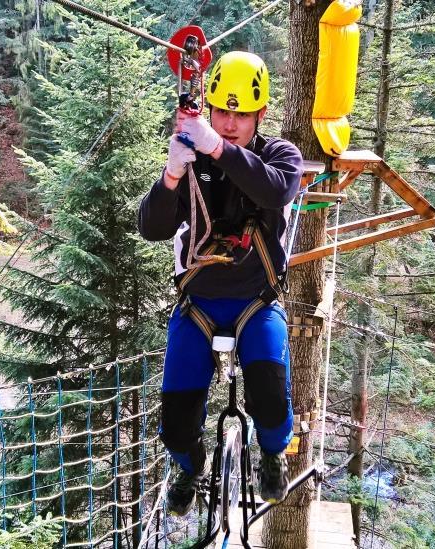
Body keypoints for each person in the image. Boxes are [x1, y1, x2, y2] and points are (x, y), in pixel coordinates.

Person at [137, 51, 303, 516]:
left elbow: (275, 191)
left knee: (270, 399)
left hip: (255, 300)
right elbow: (152, 228)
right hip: (199, 304)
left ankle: (272, 454)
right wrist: (171, 175)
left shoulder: (278, 156)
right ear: (210, 110)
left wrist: (216, 149)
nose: (230, 123)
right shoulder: (191, 159)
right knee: (175, 420)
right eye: (222, 112)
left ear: (259, 115)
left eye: (241, 114)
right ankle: (189, 466)